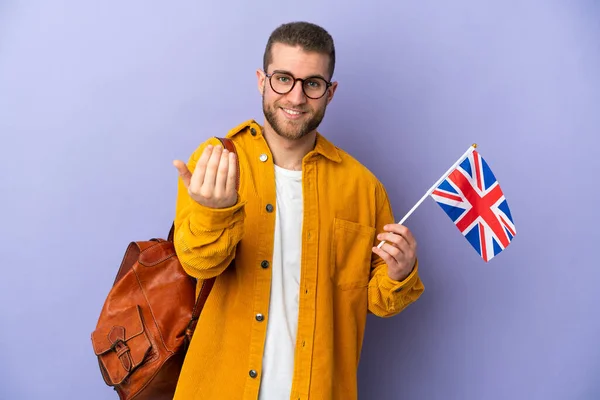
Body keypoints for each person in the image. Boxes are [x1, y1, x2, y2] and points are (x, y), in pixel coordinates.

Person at [171, 21, 424, 400]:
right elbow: (197, 265)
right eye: (283, 79)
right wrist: (214, 212)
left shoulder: (363, 187)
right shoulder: (218, 162)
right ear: (262, 80)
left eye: (312, 83)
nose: (295, 97)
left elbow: (374, 300)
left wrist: (400, 273)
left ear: (330, 91)